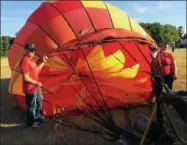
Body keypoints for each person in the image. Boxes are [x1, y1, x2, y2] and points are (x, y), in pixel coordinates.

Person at [19, 43, 48, 128]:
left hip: (36, 87)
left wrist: (43, 61)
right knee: (32, 106)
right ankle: (31, 122)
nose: (32, 52)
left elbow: (37, 70)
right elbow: (26, 78)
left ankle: (38, 117)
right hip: (30, 89)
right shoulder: (24, 61)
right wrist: (36, 83)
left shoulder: (31, 59)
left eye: (33, 50)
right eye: (30, 50)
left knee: (39, 101)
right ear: (26, 50)